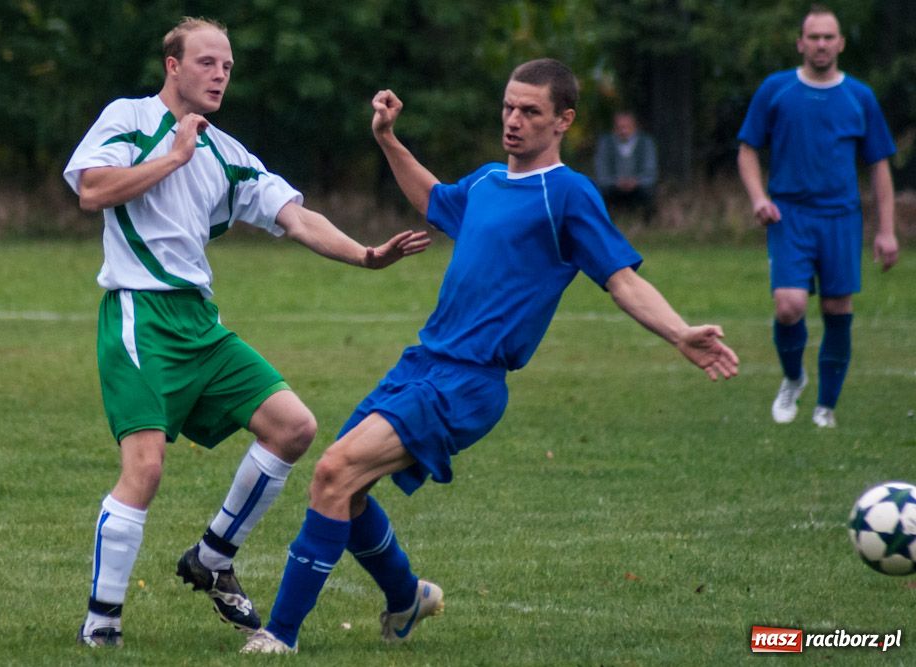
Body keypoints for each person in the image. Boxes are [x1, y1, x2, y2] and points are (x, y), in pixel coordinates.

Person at [240, 58, 739, 655]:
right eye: (509, 106)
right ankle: (407, 598)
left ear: (563, 121)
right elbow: (433, 199)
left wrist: (679, 332)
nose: (514, 120)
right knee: (345, 493)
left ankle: (279, 637)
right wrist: (388, 140)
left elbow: (622, 280)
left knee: (331, 473)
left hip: (469, 383)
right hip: (422, 363)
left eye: (530, 111)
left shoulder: (569, 195)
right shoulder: (484, 183)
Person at [62, 17, 430, 647]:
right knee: (144, 469)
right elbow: (91, 190)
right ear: (173, 66)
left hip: (200, 324)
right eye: (207, 63)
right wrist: (171, 155)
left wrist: (367, 255)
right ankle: (101, 624)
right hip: (139, 317)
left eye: (228, 67)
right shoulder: (127, 118)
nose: (220, 76)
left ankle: (212, 554)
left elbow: (298, 219)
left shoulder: (226, 154)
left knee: (294, 426)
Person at [737, 4, 898, 429]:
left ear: (841, 43)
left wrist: (886, 231)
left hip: (841, 217)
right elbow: (748, 149)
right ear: (801, 43)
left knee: (835, 307)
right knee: (788, 305)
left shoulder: (859, 96)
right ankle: (793, 378)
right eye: (814, 37)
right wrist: (758, 198)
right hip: (788, 214)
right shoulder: (777, 90)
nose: (822, 44)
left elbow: (879, 165)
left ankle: (826, 407)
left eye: (829, 37)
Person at [594, 110, 658, 222]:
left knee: (649, 193)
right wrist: (616, 182)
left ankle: (649, 225)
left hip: (639, 187)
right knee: (600, 193)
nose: (623, 131)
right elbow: (601, 172)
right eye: (620, 127)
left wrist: (636, 181)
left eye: (627, 127)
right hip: (613, 186)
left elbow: (651, 172)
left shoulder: (645, 143)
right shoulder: (606, 143)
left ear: (635, 127)